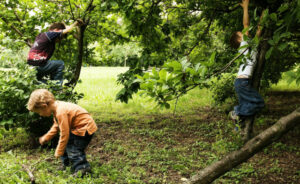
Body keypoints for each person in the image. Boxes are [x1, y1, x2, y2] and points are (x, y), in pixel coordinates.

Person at [27, 89, 97, 176]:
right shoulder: (57, 108)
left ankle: (83, 168)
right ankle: (67, 164)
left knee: (73, 149)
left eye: (39, 112)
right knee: (66, 145)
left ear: (45, 106)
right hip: (79, 128)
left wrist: (58, 151)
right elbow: (56, 126)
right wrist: (46, 137)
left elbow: (65, 134)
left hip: (84, 129)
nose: (40, 115)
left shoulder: (60, 112)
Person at [229, 0, 265, 127]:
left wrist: (263, 17)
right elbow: (246, 25)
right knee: (259, 102)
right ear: (240, 39)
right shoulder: (243, 46)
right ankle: (236, 112)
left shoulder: (252, 45)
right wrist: (245, 7)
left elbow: (259, 32)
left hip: (242, 83)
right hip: (242, 82)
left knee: (247, 108)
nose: (244, 33)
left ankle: (239, 128)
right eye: (241, 34)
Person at [27, 20, 82, 85]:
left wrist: (64, 25)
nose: (59, 40)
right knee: (60, 64)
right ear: (56, 30)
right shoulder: (50, 34)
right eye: (60, 38)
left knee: (40, 83)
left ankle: (43, 84)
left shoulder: (41, 35)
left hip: (31, 66)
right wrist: (76, 23)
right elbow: (68, 29)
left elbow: (65, 29)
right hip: (38, 64)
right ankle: (57, 87)